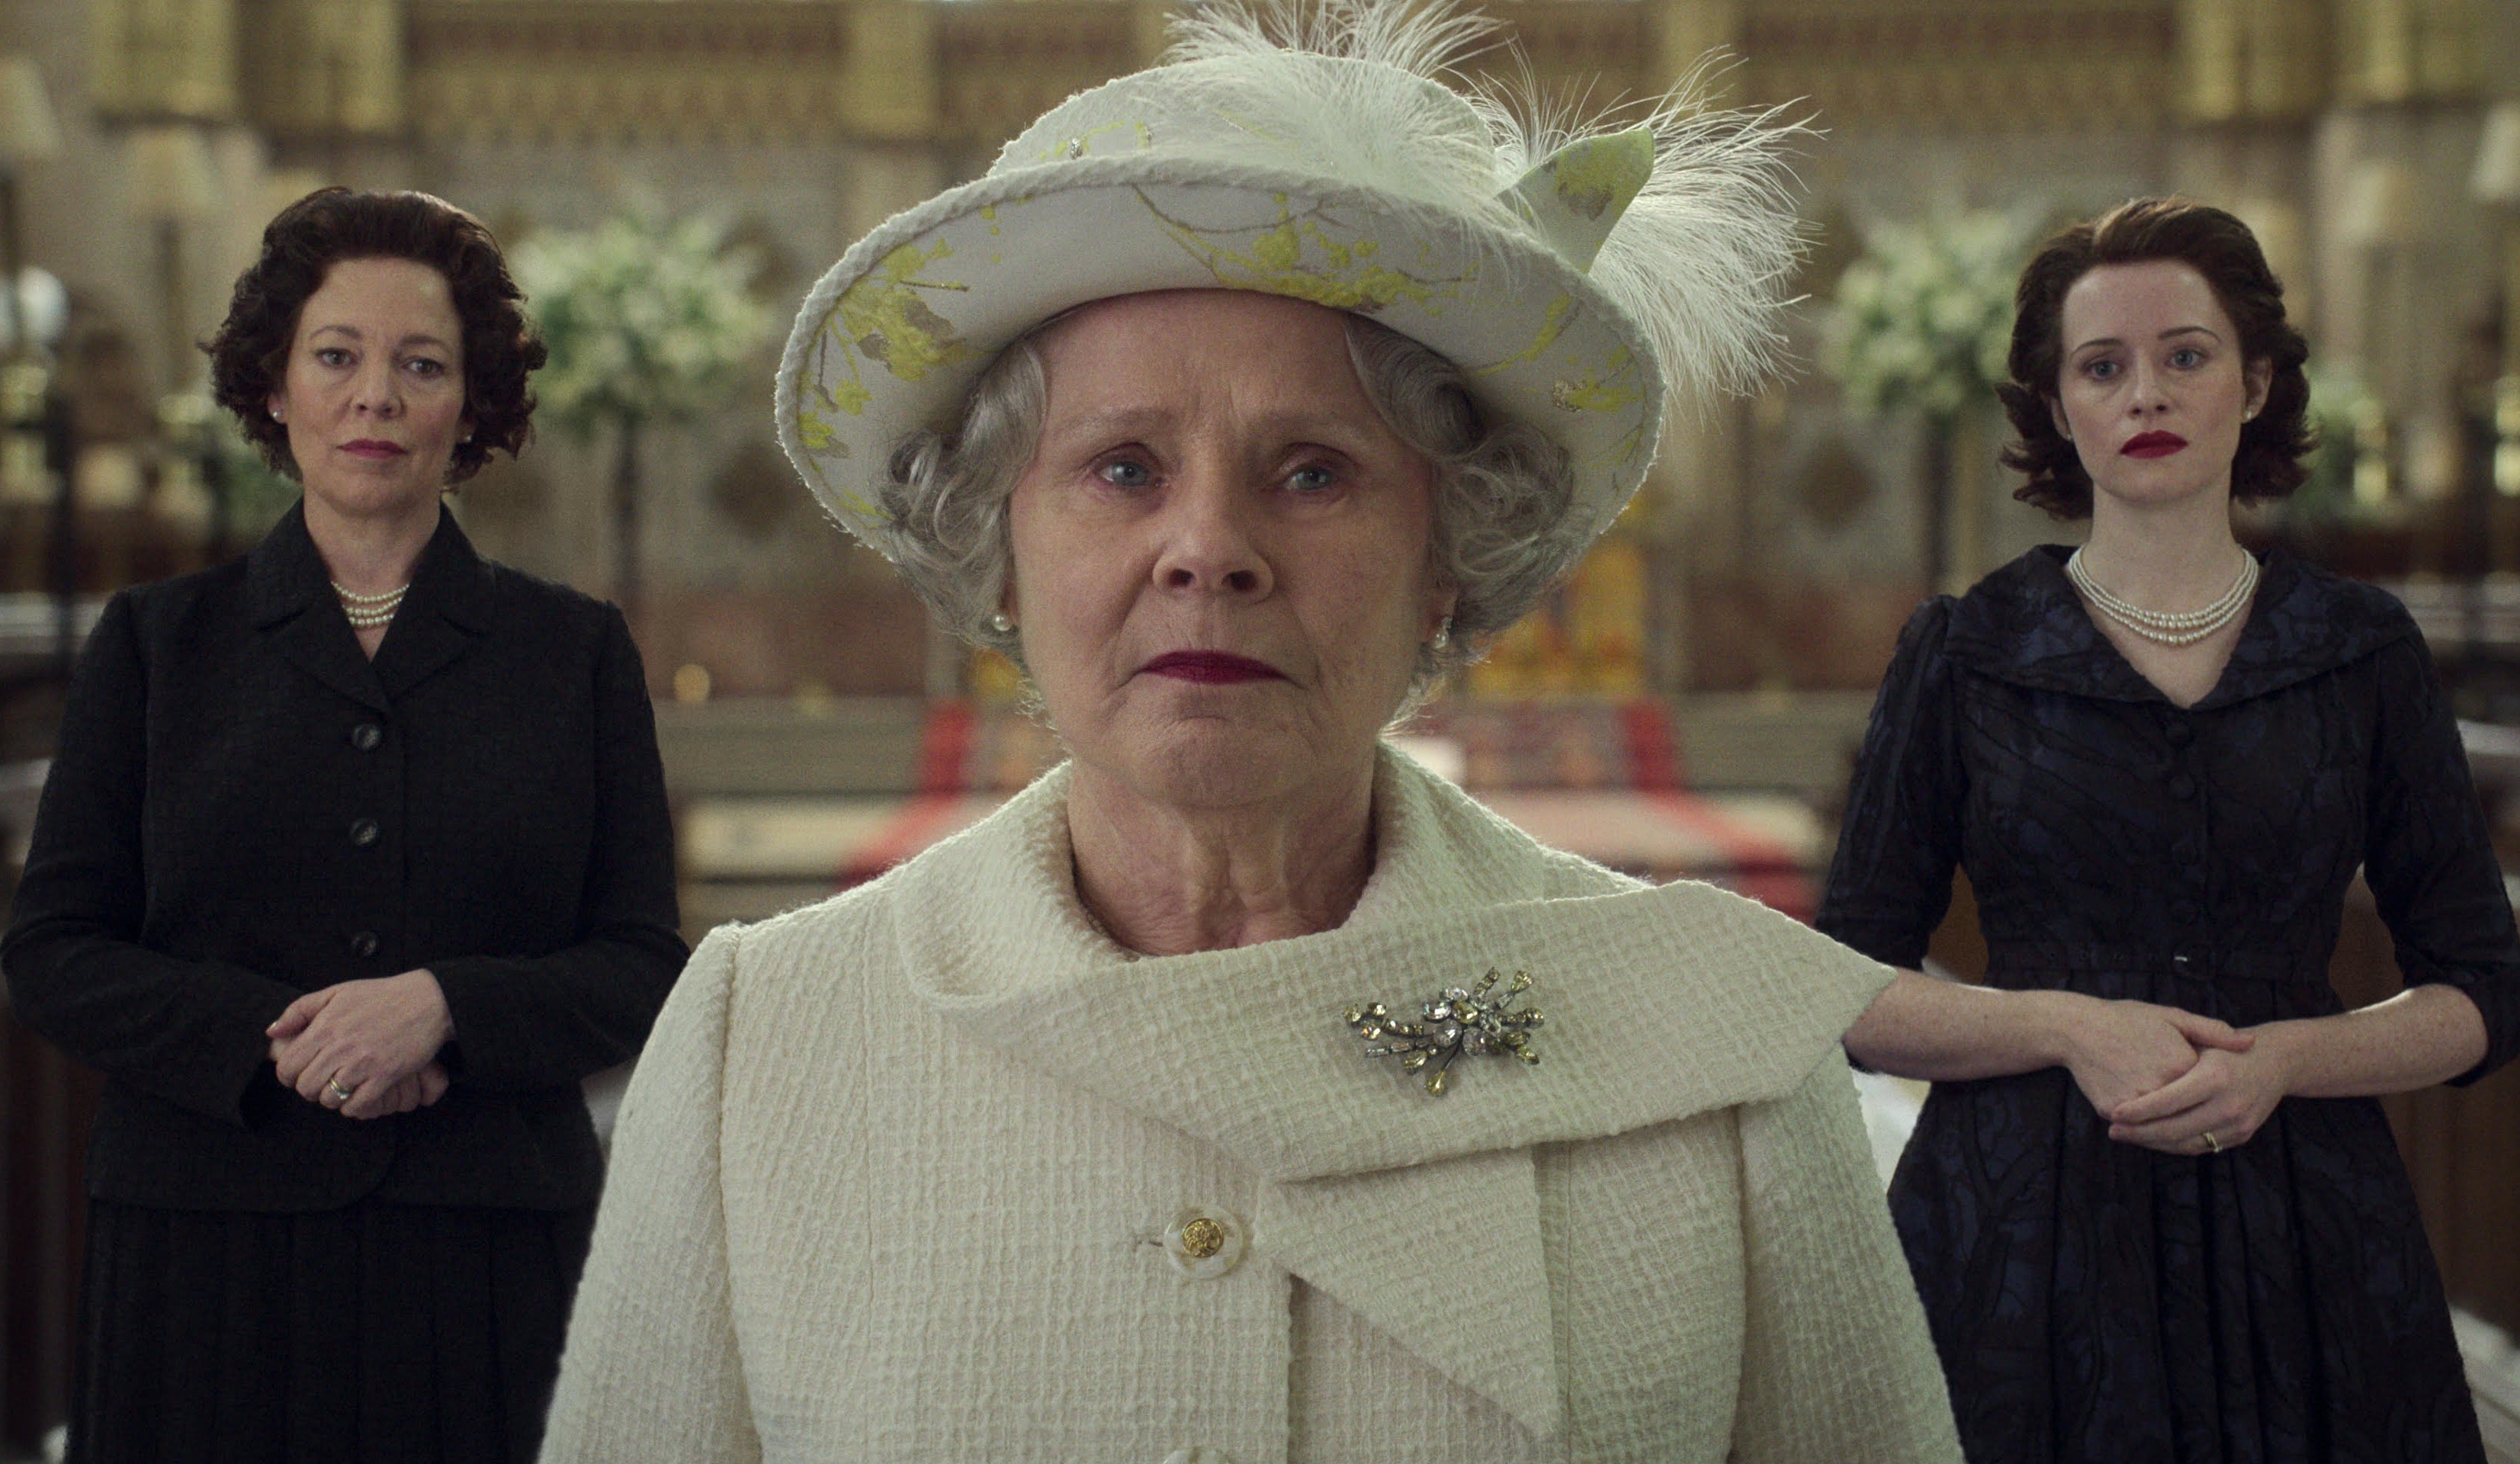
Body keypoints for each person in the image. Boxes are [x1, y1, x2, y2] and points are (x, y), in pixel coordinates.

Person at [538, 6, 1963, 1460]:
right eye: (1121, 466)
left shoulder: (1719, 1037)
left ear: (1446, 555)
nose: (1206, 547)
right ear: (1000, 548)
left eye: (1313, 471)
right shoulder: (756, 1042)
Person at [1818, 196, 2520, 1462]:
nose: (2145, 392)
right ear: (2055, 405)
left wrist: (2286, 1061)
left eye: (2184, 355)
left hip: (2304, 1224)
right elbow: (1845, 991)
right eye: (2103, 366)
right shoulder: (1964, 652)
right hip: (2017, 1239)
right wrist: (2063, 1024)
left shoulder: (2360, 651)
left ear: (2252, 384)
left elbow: (2481, 986)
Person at [2, 188, 686, 1463]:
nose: (375, 395)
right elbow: (51, 956)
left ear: (473, 405)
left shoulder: (571, 652)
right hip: (201, 1249)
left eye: (420, 364)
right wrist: (279, 1046)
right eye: (337, 356)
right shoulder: (155, 644)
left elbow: (642, 962)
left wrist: (447, 1010)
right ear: (274, 388)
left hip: (486, 1249)